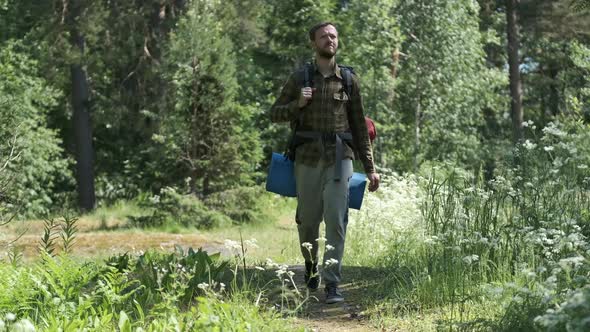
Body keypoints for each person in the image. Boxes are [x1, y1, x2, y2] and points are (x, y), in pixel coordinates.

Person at [269, 22, 380, 304]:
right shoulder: (300, 78)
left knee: (336, 220)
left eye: (333, 36)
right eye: (324, 36)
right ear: (313, 43)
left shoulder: (349, 80)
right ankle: (310, 266)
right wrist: (298, 105)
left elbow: (358, 125)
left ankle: (332, 284)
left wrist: (370, 167)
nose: (329, 39)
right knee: (308, 222)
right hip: (306, 158)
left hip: (340, 158)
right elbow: (275, 114)